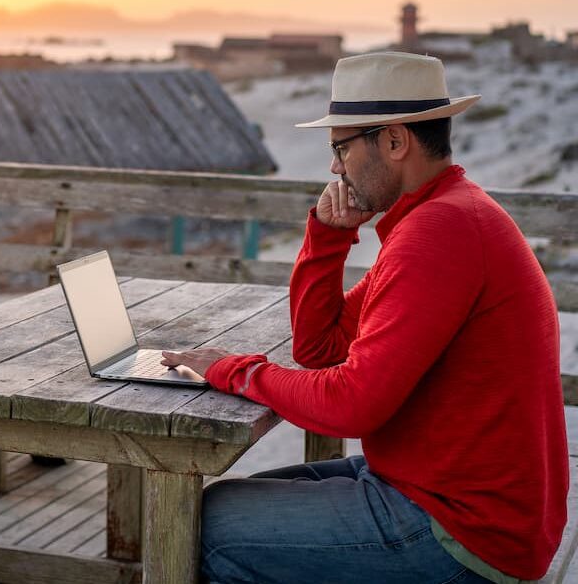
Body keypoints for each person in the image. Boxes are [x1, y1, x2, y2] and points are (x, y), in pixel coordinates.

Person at [160, 51, 567, 583]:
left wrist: (233, 371)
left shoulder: (437, 234)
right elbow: (320, 347)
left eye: (341, 147)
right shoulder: (444, 215)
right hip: (443, 495)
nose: (335, 166)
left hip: (462, 533)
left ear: (394, 142)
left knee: (201, 527)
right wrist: (328, 238)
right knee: (219, 504)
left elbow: (352, 405)